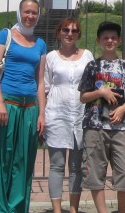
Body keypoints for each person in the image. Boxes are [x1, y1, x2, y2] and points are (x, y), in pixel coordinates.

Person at [0, 0, 47, 213]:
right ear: (19, 12)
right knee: (0, 157)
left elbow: (40, 82)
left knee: (22, 161)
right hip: (7, 104)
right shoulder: (6, 35)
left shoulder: (40, 44)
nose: (30, 16)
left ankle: (16, 207)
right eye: (27, 12)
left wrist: (42, 113)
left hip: (30, 108)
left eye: (34, 12)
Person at [79, 21, 125, 213]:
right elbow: (83, 97)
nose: (109, 40)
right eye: (105, 37)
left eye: (113, 37)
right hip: (95, 126)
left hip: (120, 127)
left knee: (124, 173)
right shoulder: (92, 66)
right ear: (99, 40)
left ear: (119, 40)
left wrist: (123, 109)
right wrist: (101, 93)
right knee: (95, 173)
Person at [43, 17, 94, 213]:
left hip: (81, 114)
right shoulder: (51, 57)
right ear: (58, 33)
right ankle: (57, 210)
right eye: (65, 30)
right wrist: (43, 113)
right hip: (57, 114)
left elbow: (94, 82)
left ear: (79, 35)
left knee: (76, 167)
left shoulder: (87, 55)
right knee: (57, 165)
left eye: (74, 31)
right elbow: (46, 86)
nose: (69, 34)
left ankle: (73, 209)